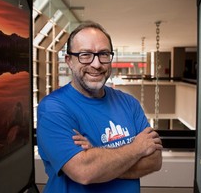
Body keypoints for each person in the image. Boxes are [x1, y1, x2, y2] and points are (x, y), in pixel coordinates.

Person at [37, 21, 163, 193]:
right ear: (69, 61)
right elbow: (83, 171)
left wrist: (97, 156)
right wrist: (137, 148)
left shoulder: (129, 103)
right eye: (85, 55)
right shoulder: (53, 108)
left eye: (103, 54)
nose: (96, 64)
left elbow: (154, 160)